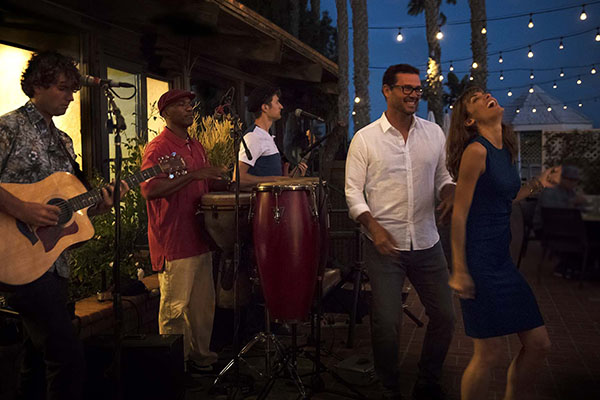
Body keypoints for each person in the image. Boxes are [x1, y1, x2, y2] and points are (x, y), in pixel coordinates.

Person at [0, 51, 127, 400]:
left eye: (73, 89)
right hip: (17, 255)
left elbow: (73, 213)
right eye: (62, 88)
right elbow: (29, 208)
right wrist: (23, 209)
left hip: (53, 263)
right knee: (67, 357)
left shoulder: (64, 143)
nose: (71, 97)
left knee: (36, 361)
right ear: (37, 85)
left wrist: (103, 203)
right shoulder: (9, 127)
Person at [345, 64, 456, 400]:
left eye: (417, 89)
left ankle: (428, 379)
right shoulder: (364, 139)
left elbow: (443, 178)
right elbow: (352, 192)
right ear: (387, 90)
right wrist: (373, 226)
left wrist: (450, 192)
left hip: (427, 241)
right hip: (383, 245)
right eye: (406, 88)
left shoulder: (434, 134)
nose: (413, 95)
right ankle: (388, 384)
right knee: (387, 324)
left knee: (445, 316)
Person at [446, 87, 560, 400]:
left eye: (485, 93)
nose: (485, 97)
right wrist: (459, 269)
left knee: (539, 344)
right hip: (479, 261)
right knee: (489, 352)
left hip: (502, 261)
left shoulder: (504, 151)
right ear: (469, 120)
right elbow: (459, 214)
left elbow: (508, 195)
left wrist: (539, 183)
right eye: (475, 99)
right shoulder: (477, 151)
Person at [140, 89, 227, 374]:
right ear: (165, 112)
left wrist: (219, 180)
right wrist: (194, 175)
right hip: (175, 239)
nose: (189, 108)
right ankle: (173, 368)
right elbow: (149, 189)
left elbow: (199, 186)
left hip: (201, 236)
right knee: (175, 309)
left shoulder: (196, 145)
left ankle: (201, 359)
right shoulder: (159, 148)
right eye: (181, 105)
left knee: (202, 306)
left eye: (190, 103)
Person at [237, 85, 306, 190]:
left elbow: (271, 176)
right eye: (277, 102)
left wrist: (289, 178)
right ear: (265, 107)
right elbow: (239, 178)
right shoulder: (253, 137)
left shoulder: (267, 136)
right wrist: (274, 179)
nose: (281, 106)